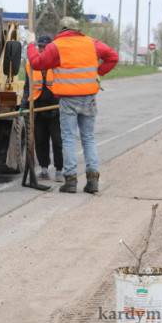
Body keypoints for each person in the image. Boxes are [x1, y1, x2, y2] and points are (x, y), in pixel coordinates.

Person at [27, 17, 118, 194]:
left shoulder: (57, 45)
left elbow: (37, 63)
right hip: (89, 97)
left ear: (61, 29)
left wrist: (31, 45)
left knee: (68, 138)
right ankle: (92, 179)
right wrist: (98, 72)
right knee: (88, 138)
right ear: (77, 29)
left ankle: (71, 181)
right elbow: (113, 57)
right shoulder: (91, 43)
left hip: (68, 99)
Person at [22, 35, 64, 183]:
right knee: (40, 140)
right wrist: (23, 104)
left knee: (58, 141)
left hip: (55, 107)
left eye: (44, 47)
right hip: (38, 107)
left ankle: (59, 170)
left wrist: (60, 104)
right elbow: (27, 87)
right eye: (40, 47)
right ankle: (44, 169)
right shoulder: (31, 65)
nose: (41, 49)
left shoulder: (58, 63)